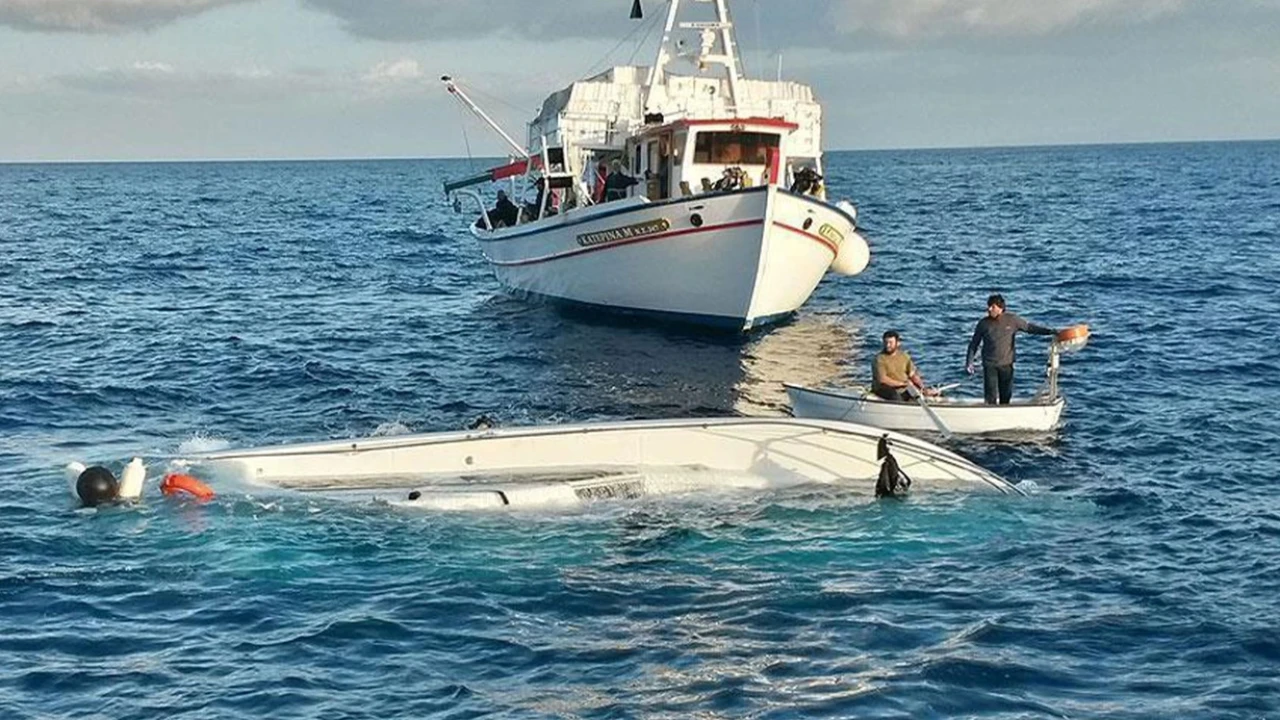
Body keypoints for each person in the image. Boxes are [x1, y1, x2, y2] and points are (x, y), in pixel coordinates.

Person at [965, 294, 1057, 405]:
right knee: (990, 396)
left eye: (992, 307)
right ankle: (990, 416)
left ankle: (1004, 416)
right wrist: (969, 361)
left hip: (1006, 364)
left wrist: (1049, 331)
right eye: (988, 306)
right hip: (990, 365)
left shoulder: (1012, 320)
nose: (989, 309)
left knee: (1006, 395)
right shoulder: (983, 324)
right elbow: (974, 344)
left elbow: (1030, 328)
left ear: (1000, 308)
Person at [872, 330, 933, 402]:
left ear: (897, 343)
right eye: (886, 343)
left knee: (919, 396)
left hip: (903, 387)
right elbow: (883, 379)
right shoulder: (879, 359)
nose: (888, 345)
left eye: (890, 343)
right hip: (884, 389)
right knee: (895, 396)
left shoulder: (904, 356)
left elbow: (912, 374)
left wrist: (922, 388)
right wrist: (903, 384)